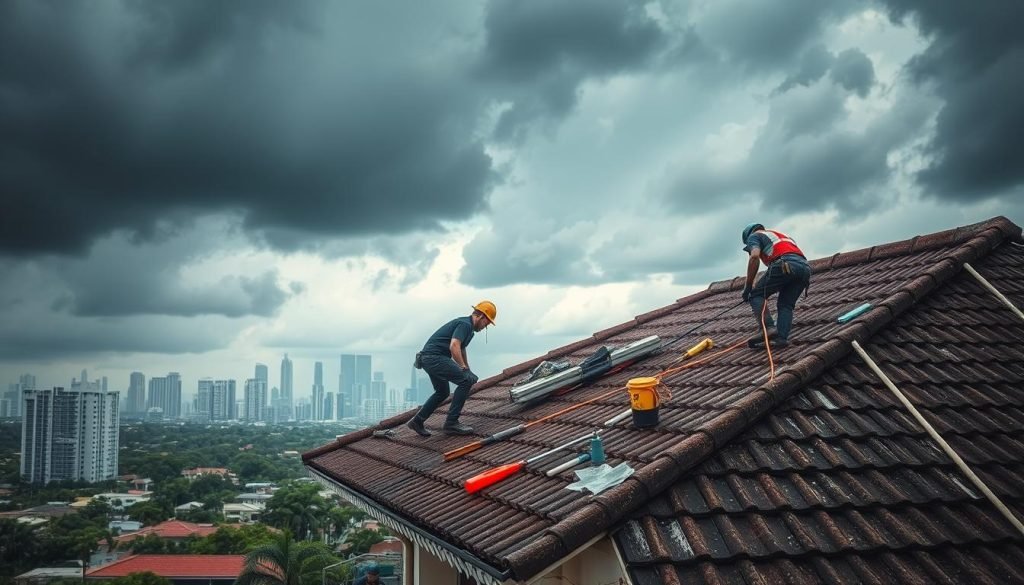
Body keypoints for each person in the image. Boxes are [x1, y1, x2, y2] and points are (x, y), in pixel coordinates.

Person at [407, 301, 497, 437]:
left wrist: (467, 369)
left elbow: (461, 348)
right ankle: (451, 423)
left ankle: (417, 421)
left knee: (442, 392)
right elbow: (454, 345)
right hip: (434, 357)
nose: (485, 327)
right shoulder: (465, 324)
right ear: (481, 316)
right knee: (465, 382)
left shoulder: (469, 331)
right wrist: (463, 369)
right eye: (487, 323)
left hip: (428, 358)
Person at [740, 223, 811, 347]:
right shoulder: (780, 235)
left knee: (756, 295)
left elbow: (754, 256)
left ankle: (768, 328)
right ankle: (781, 339)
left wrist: (748, 287)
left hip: (784, 264)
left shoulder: (754, 236)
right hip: (805, 269)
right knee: (786, 304)